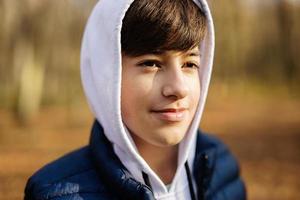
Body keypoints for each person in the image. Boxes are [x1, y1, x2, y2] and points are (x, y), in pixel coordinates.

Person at [24, 0, 246, 199]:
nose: (178, 88)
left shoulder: (221, 168)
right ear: (106, 73)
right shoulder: (55, 193)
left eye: (190, 64)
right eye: (151, 63)